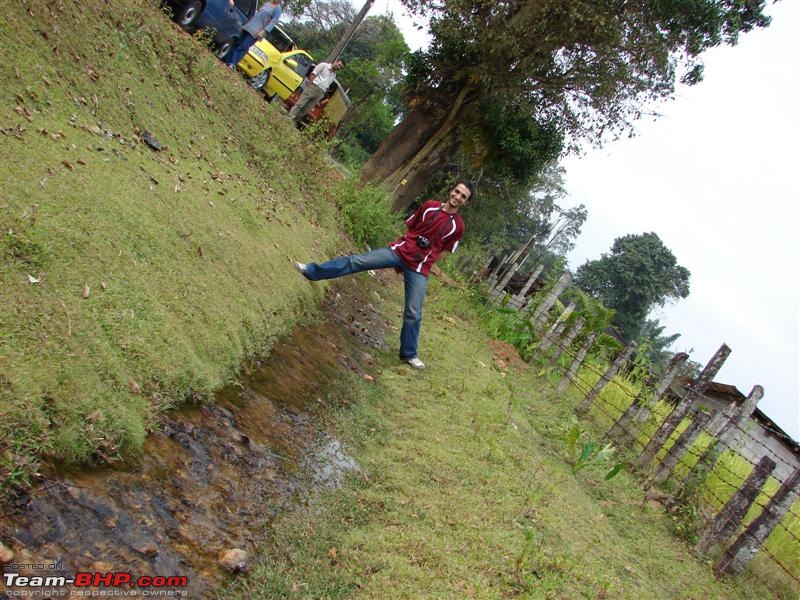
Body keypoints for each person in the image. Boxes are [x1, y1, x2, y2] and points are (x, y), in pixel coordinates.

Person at [294, 180, 474, 370]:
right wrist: (408, 247)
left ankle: (409, 355)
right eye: (457, 192)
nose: (458, 197)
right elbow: (412, 227)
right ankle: (312, 271)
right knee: (357, 261)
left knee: (414, 312)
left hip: (420, 267)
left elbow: (446, 250)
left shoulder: (458, 226)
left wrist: (427, 259)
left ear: (466, 202)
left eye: (463, 196)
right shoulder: (429, 206)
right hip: (398, 252)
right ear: (451, 190)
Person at [224, 0, 282, 68]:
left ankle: (232, 64)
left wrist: (264, 31)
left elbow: (273, 22)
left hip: (257, 31)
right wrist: (245, 25)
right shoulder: (267, 3)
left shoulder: (277, 9)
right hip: (249, 26)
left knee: (243, 46)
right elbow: (256, 15)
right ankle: (226, 60)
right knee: (237, 43)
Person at [288, 60, 344, 125]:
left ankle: (293, 121)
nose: (339, 67)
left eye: (341, 67)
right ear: (336, 62)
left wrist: (322, 94)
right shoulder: (324, 65)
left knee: (306, 109)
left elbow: (327, 84)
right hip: (313, 87)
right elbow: (313, 74)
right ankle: (289, 117)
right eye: (339, 65)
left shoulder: (334, 75)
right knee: (300, 104)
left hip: (321, 92)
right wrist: (309, 86)